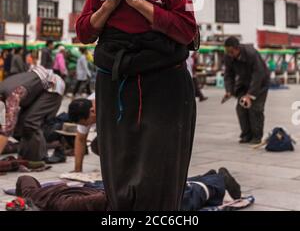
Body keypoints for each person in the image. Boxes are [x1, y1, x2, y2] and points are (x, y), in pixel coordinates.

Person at [76, 0, 197, 211]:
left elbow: (186, 30)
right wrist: (109, 5)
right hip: (115, 83)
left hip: (164, 85)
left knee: (159, 174)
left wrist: (137, 1)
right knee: (119, 169)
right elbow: (84, 32)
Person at [14, 167, 241, 212]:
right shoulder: (34, 194)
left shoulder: (65, 206)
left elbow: (110, 201)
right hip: (100, 188)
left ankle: (216, 181)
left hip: (111, 195)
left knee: (177, 201)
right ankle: (211, 178)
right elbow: (25, 178)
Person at [0, 65, 65, 160]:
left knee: (30, 122)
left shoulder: (13, 96)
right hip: (37, 87)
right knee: (19, 126)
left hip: (52, 86)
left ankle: (36, 158)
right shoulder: (3, 92)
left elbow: (7, 129)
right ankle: (30, 153)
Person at [223, 36, 270, 144]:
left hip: (260, 83)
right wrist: (229, 90)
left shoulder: (251, 54)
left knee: (255, 109)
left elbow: (258, 74)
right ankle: (246, 135)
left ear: (237, 48)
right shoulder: (228, 57)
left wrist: (250, 95)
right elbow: (228, 74)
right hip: (243, 83)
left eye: (231, 51)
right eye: (227, 51)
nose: (229, 54)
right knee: (241, 108)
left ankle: (257, 136)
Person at [68, 94, 97, 172]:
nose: (87, 126)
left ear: (92, 111)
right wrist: (77, 170)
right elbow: (80, 140)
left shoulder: (107, 104)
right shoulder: (85, 109)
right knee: (97, 145)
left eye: (86, 123)